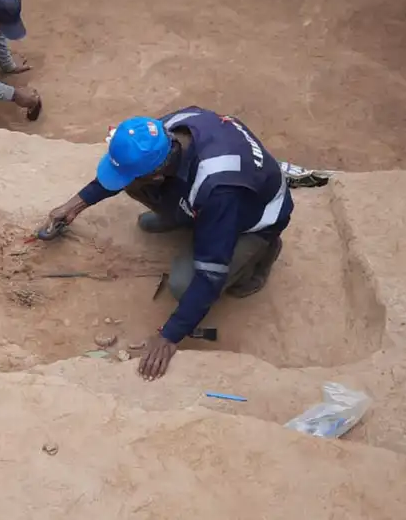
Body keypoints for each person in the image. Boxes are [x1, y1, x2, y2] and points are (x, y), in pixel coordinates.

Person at [41, 106, 294, 381]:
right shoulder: (160, 134)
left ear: (158, 176)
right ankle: (186, 213)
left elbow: (211, 274)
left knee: (184, 284)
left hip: (253, 217)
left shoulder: (221, 190)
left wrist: (170, 335)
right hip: (211, 193)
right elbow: (124, 167)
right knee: (131, 182)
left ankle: (262, 253)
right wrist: (74, 205)